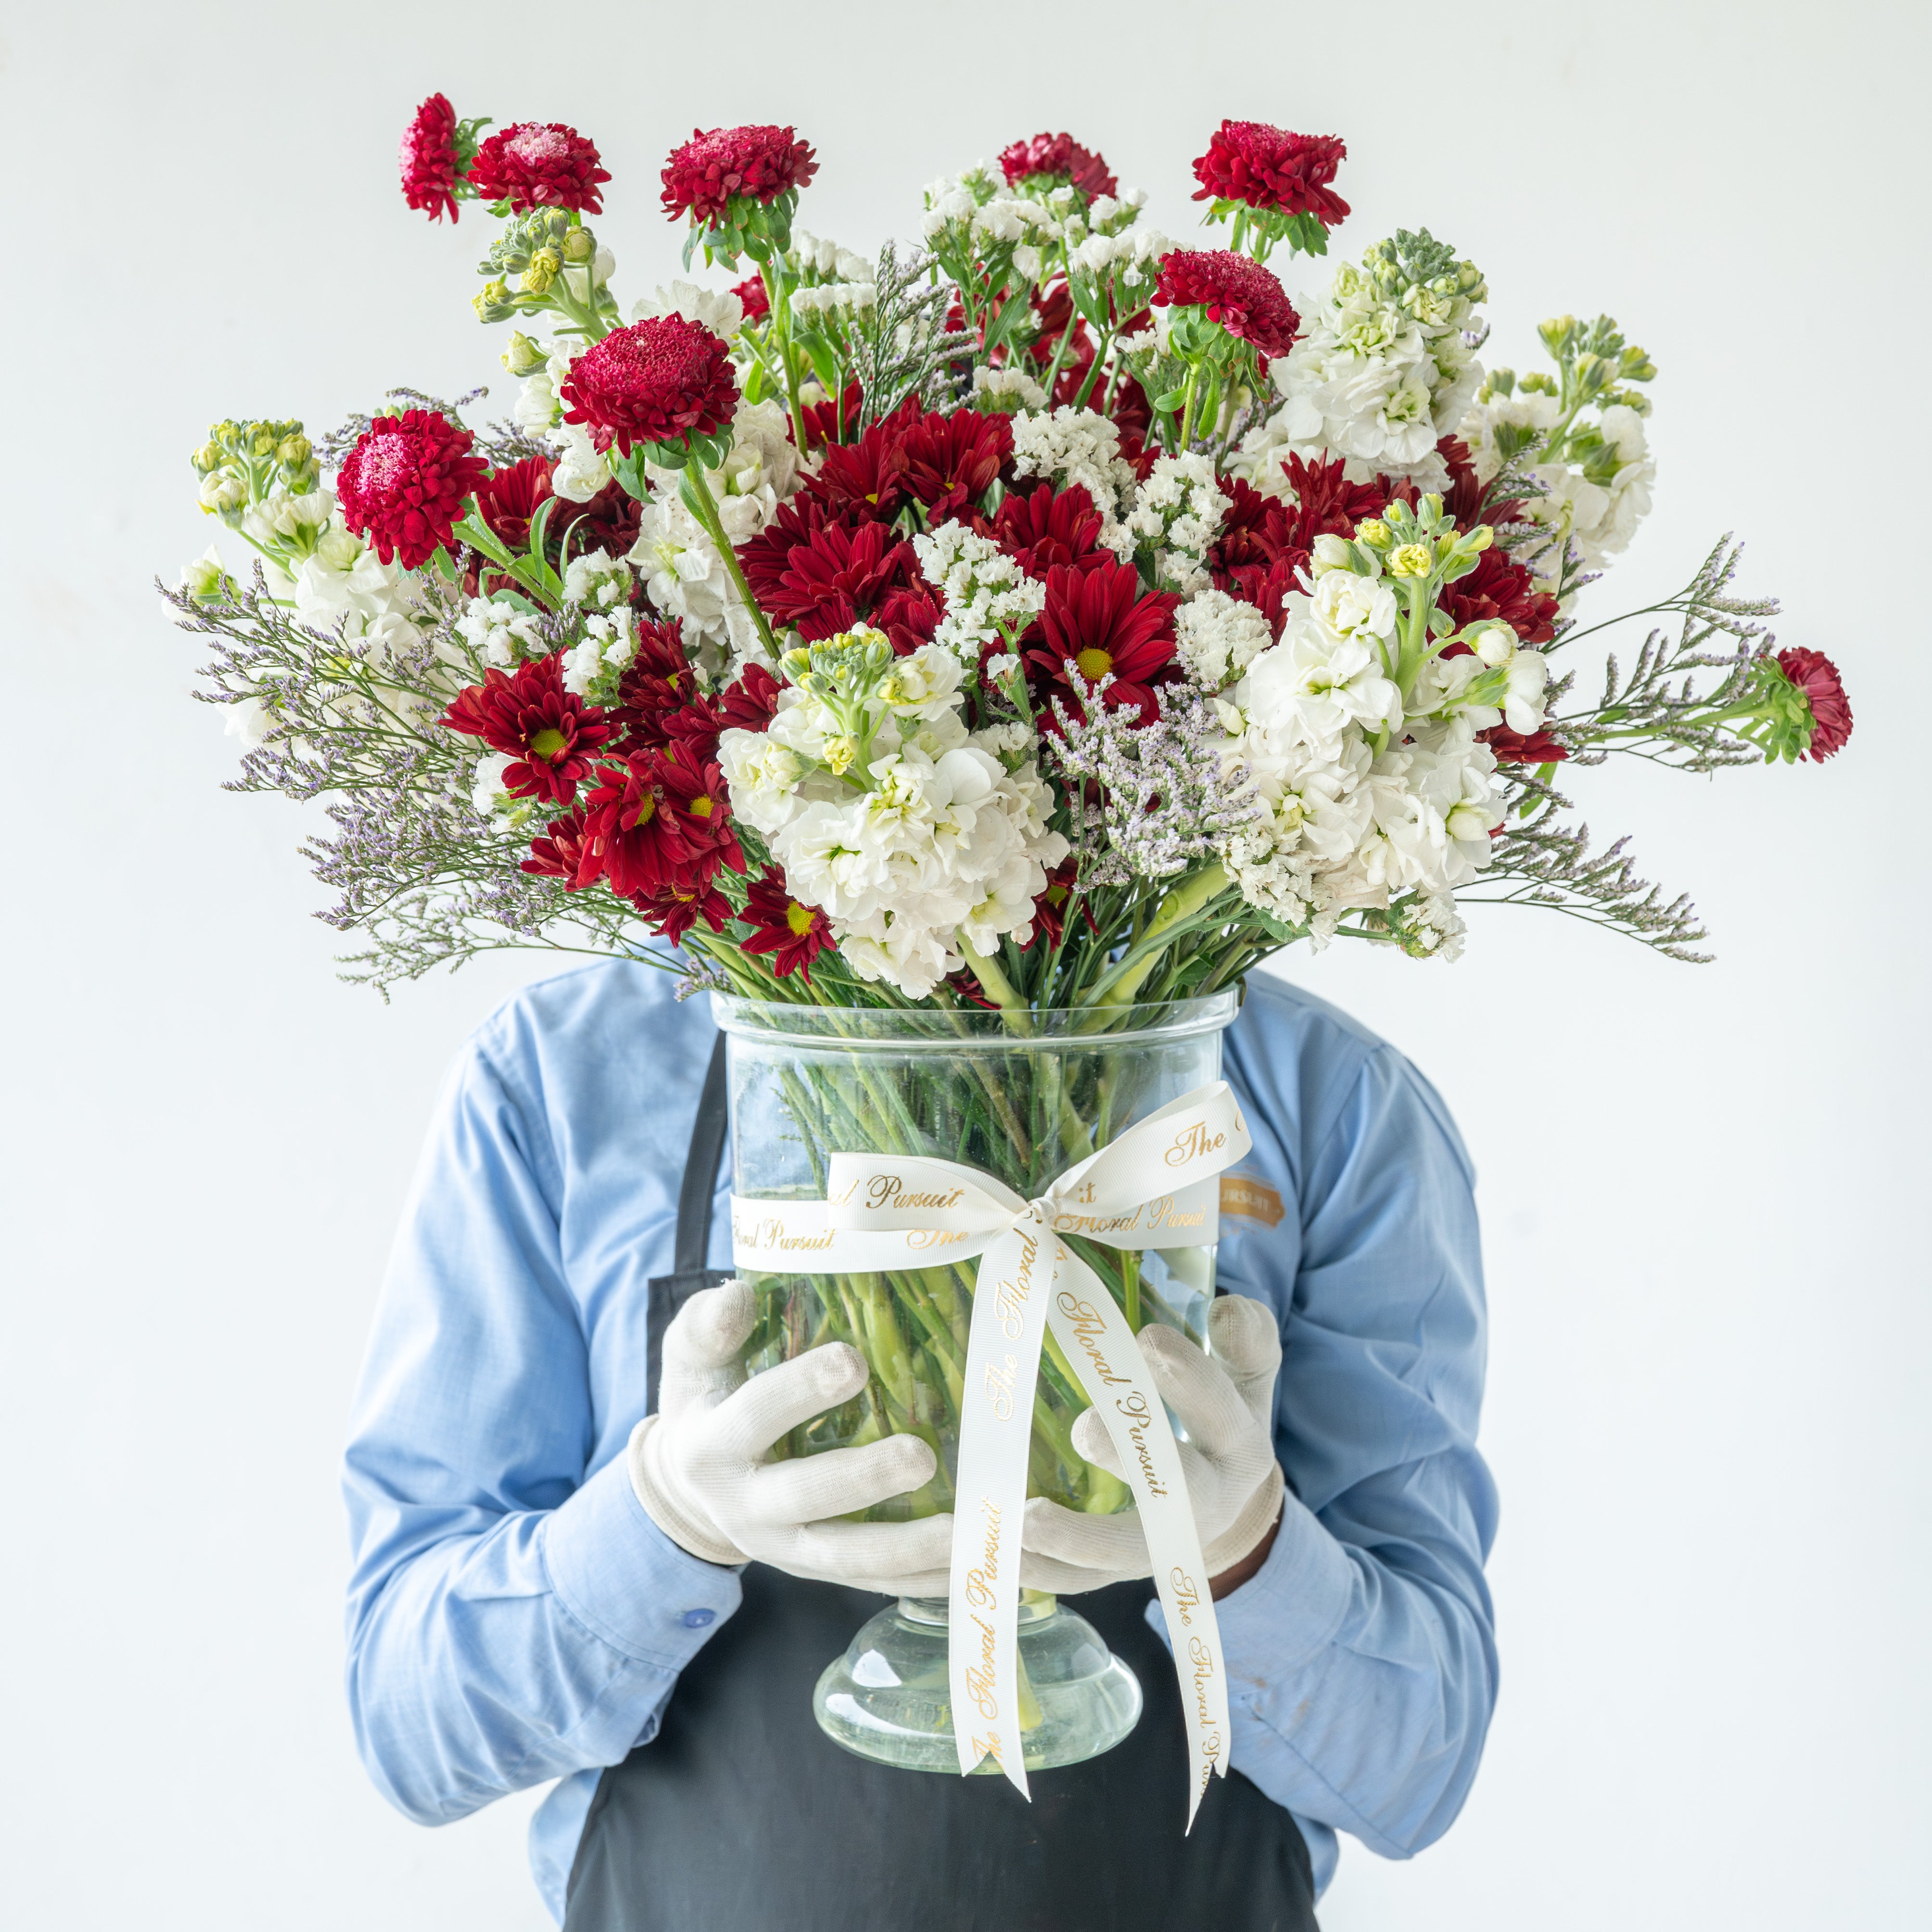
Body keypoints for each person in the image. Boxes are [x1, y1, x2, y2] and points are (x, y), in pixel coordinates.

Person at [343, 956, 1498, 1929]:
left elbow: (1418, 1769)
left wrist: (1247, 1550)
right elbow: (412, 1729)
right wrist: (664, 1516)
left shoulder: (1328, 1102)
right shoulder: (561, 1075)